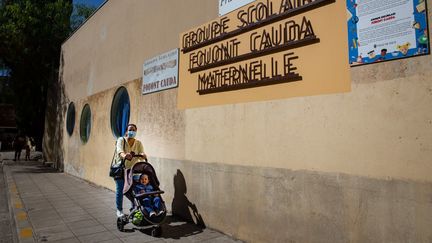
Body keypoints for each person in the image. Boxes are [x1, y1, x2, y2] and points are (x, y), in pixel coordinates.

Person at [112, 124, 147, 218]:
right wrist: (124, 155)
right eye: (130, 130)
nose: (132, 132)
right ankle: (119, 210)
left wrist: (143, 155)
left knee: (134, 190)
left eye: (134, 130)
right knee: (120, 190)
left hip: (133, 170)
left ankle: (134, 208)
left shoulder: (138, 143)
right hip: (121, 169)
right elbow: (119, 151)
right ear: (126, 131)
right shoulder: (121, 140)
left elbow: (141, 152)